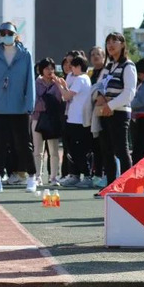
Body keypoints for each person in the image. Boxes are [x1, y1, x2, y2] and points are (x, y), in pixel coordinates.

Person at [0, 22, 37, 194]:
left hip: (20, 107)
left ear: (15, 34)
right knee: (0, 145)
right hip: (0, 107)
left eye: (9, 33)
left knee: (24, 144)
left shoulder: (25, 55)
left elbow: (30, 81)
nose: (6, 36)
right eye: (3, 33)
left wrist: (30, 104)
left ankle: (32, 177)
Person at [93, 33, 137, 186]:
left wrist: (110, 105)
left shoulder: (128, 66)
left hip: (120, 114)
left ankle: (127, 187)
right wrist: (100, 97)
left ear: (123, 44)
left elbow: (129, 93)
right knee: (107, 151)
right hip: (104, 114)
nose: (110, 45)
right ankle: (111, 186)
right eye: (108, 42)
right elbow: (98, 86)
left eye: (114, 41)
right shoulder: (108, 67)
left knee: (121, 151)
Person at [55, 55, 93, 188]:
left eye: (73, 67)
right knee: (72, 149)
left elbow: (66, 96)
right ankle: (75, 175)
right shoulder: (84, 79)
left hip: (78, 121)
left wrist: (58, 84)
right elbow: (70, 94)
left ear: (78, 67)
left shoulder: (81, 79)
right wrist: (63, 85)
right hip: (74, 119)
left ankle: (86, 176)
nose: (71, 70)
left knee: (78, 150)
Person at [32, 58, 64, 187]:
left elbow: (61, 98)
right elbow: (34, 101)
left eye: (52, 68)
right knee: (38, 150)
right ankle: (37, 176)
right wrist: (47, 103)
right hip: (38, 118)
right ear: (41, 70)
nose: (50, 71)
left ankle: (54, 177)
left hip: (52, 119)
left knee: (54, 150)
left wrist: (59, 84)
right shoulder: (36, 83)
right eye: (46, 68)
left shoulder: (57, 82)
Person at [88, 46, 107, 187]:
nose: (95, 57)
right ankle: (97, 174)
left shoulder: (107, 72)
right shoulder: (90, 74)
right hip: (93, 113)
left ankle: (108, 174)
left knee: (106, 145)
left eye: (98, 54)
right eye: (93, 54)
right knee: (96, 145)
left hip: (106, 112)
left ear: (104, 57)